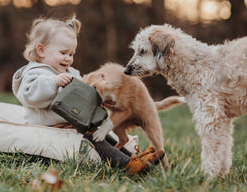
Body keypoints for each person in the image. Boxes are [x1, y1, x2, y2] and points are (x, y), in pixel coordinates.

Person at [12, 16, 165, 175]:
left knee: (101, 134)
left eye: (71, 54)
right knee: (93, 139)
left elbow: (84, 94)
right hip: (50, 125)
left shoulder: (68, 72)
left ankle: (134, 157)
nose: (68, 58)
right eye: (63, 52)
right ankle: (128, 165)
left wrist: (100, 101)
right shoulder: (35, 72)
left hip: (74, 121)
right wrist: (53, 82)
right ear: (41, 50)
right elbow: (29, 95)